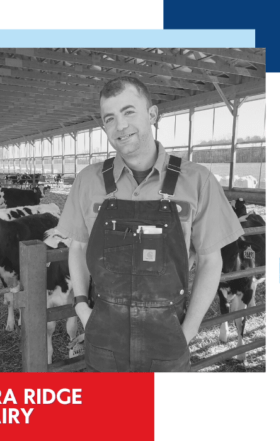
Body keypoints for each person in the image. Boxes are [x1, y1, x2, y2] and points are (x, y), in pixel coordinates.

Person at [56, 76, 244, 372]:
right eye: (110, 119)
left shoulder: (198, 180)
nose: (120, 126)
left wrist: (188, 331)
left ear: (153, 114)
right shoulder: (87, 181)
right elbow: (78, 247)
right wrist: (82, 307)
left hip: (168, 341)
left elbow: (210, 261)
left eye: (129, 112)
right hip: (103, 339)